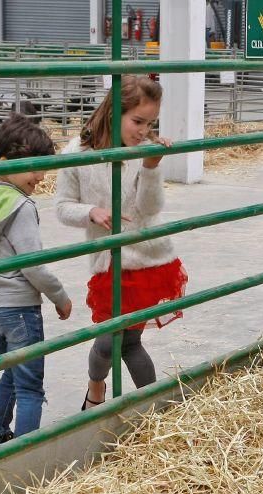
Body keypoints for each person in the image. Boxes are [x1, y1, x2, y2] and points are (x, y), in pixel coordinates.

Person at [55, 75, 187, 411]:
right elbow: (62, 208)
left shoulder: (142, 151)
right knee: (111, 343)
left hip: (145, 261)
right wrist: (91, 211)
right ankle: (100, 388)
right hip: (108, 263)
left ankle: (154, 410)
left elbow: (150, 208)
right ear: (114, 112)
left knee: (126, 341)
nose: (144, 130)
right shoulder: (77, 153)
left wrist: (152, 167)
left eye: (150, 122)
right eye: (137, 121)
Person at [0, 112, 73, 450]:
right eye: (33, 168)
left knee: (11, 372)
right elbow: (34, 265)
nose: (40, 176)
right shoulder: (21, 206)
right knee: (30, 387)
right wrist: (60, 296)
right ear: (5, 161)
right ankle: (23, 456)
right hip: (20, 309)